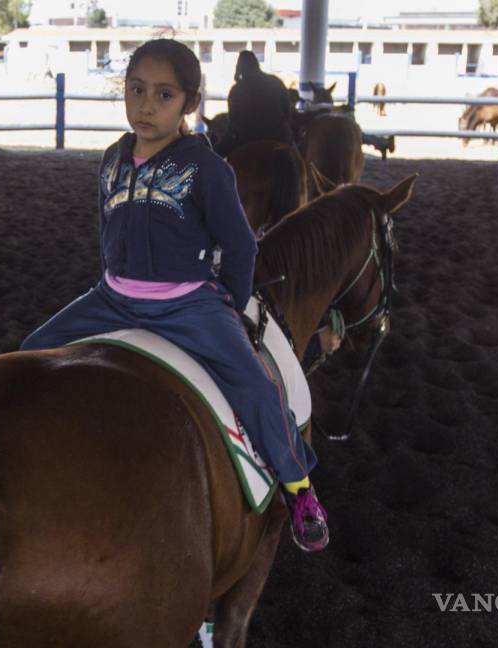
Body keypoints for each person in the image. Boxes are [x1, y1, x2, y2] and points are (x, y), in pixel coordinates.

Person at [19, 39, 334, 552]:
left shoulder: (207, 168)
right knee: (31, 350)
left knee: (252, 383)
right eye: (136, 90)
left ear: (189, 103)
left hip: (187, 302)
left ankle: (299, 487)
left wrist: (228, 302)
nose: (145, 105)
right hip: (112, 297)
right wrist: (114, 279)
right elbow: (106, 227)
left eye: (163, 95)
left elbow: (238, 244)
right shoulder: (113, 159)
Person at [213, 50, 294, 157]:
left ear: (239, 67)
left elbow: (233, 120)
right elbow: (287, 112)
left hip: (245, 138)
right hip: (278, 136)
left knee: (214, 158)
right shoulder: (275, 82)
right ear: (256, 64)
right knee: (297, 159)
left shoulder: (237, 89)